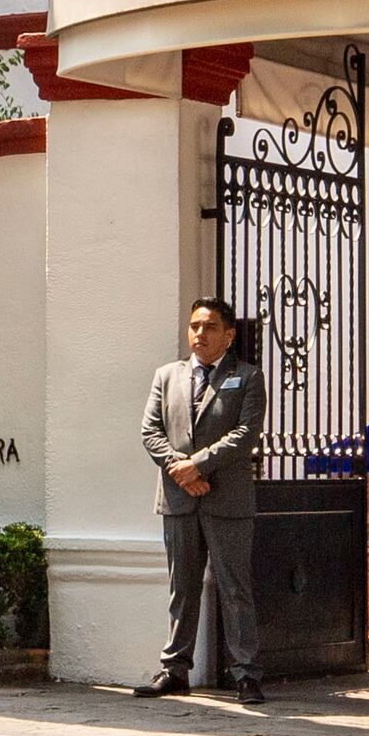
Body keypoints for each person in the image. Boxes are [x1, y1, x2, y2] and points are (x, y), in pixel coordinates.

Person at [138, 294, 266, 702]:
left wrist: (199, 466)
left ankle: (245, 674)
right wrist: (181, 468)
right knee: (182, 587)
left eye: (210, 327)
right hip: (179, 499)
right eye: (195, 326)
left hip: (227, 499)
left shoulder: (247, 377)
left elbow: (245, 433)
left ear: (228, 335)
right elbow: (151, 431)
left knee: (234, 587)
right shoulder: (167, 376)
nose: (200, 334)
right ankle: (174, 669)